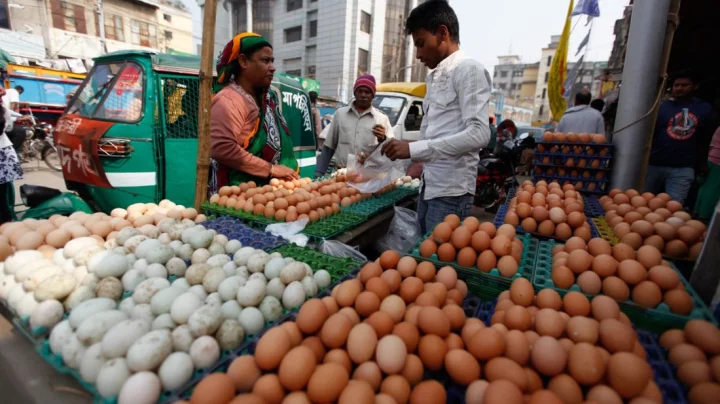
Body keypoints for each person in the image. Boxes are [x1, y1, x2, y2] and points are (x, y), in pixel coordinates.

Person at [381, 1, 490, 234]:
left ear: (442, 33)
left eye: (421, 44)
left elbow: (479, 133)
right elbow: (438, 134)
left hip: (452, 192)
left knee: (438, 265)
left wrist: (413, 150)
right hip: (429, 186)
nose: (418, 54)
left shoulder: (468, 70)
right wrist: (414, 156)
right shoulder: (435, 78)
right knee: (424, 259)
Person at [209, 32, 299, 192]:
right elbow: (220, 147)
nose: (273, 67)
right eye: (265, 60)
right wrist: (270, 169)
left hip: (266, 193)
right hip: (237, 197)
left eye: (272, 61)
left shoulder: (266, 97)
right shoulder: (229, 100)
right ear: (243, 61)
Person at [645, 70, 712, 205]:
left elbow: (705, 138)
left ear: (695, 86)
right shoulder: (662, 107)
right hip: (655, 163)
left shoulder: (704, 109)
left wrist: (702, 163)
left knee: (675, 204)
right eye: (676, 85)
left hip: (684, 166)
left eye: (684, 85)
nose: (679, 88)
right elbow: (650, 134)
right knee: (644, 201)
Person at [314, 74, 394, 176]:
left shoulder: (381, 119)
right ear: (354, 93)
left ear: (373, 95)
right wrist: (318, 173)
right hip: (341, 174)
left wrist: (383, 139)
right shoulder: (340, 114)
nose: (363, 95)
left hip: (366, 177)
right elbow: (329, 147)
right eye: (360, 91)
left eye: (367, 92)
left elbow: (390, 151)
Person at [0, 103, 23, 223]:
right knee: (2, 193)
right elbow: (8, 128)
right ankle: (6, 221)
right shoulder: (3, 110)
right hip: (4, 150)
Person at [694, 126, 720, 220]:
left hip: (712, 159)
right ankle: (702, 216)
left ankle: (698, 213)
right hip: (717, 162)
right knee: (712, 191)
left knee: (706, 188)